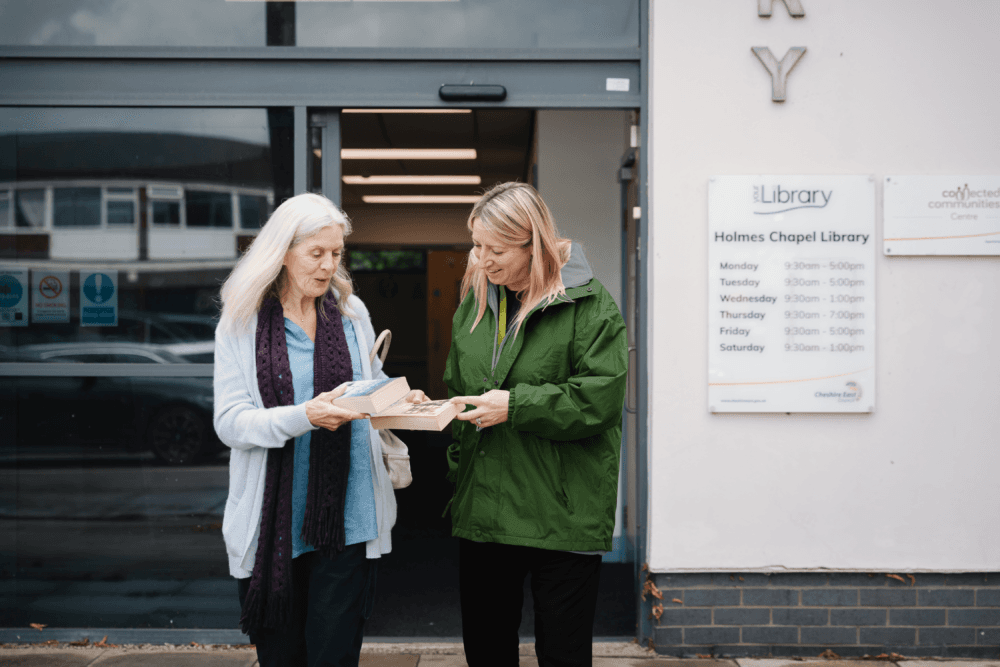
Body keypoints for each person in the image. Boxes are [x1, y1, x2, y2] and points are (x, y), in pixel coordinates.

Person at [213, 193, 425, 667]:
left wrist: (399, 396)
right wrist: (304, 416)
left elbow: (368, 384)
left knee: (335, 655)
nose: (329, 266)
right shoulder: (241, 323)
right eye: (316, 254)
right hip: (273, 525)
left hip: (349, 516)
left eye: (336, 253)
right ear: (282, 253)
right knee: (282, 656)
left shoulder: (352, 314)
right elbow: (230, 423)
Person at [444, 182, 628, 667]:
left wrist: (516, 405)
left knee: (563, 653)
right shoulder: (477, 301)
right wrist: (452, 452)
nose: (482, 260)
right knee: (486, 650)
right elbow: (457, 385)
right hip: (485, 508)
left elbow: (599, 400)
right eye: (477, 246)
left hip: (562, 511)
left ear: (536, 244)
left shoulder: (591, 306)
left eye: (497, 249)